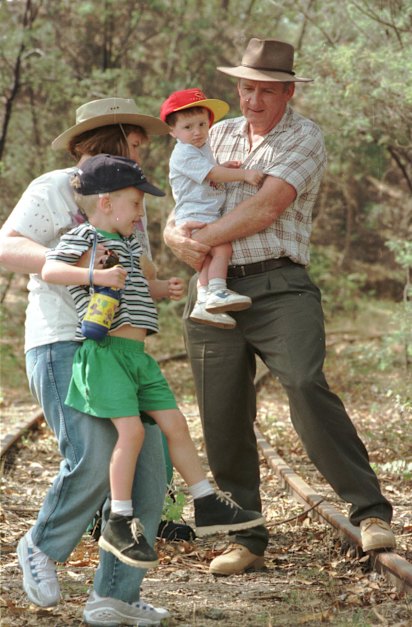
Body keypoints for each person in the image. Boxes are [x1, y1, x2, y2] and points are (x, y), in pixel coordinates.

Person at [163, 38, 396, 576]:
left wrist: (196, 241)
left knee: (304, 383)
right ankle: (247, 538)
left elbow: (265, 207)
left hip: (278, 285)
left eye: (266, 91)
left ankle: (370, 512)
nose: (253, 100)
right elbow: (183, 201)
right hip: (211, 286)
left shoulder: (304, 137)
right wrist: (175, 236)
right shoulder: (211, 133)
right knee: (221, 412)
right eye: (246, 88)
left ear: (288, 91)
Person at [42, 153, 265, 569]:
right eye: (136, 203)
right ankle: (119, 521)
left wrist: (159, 289)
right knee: (131, 434)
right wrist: (96, 277)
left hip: (138, 358)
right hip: (106, 355)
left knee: (175, 424)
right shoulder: (83, 237)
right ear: (106, 202)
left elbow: (133, 287)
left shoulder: (126, 243)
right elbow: (51, 270)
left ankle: (205, 501)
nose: (140, 212)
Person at [0, 97, 174, 626]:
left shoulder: (129, 197)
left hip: (121, 350)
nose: (143, 153)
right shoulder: (56, 186)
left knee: (150, 465)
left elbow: (134, 263)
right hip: (62, 341)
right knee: (96, 453)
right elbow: (7, 246)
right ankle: (41, 547)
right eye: (137, 144)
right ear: (108, 139)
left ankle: (115, 595)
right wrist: (83, 268)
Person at [160, 88, 265, 329]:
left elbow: (210, 171)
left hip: (203, 211)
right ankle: (218, 290)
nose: (197, 132)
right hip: (197, 214)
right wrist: (243, 175)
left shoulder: (200, 147)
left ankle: (203, 301)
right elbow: (213, 174)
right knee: (222, 248)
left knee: (208, 257)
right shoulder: (184, 152)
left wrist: (222, 166)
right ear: (173, 131)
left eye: (202, 124)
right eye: (188, 127)